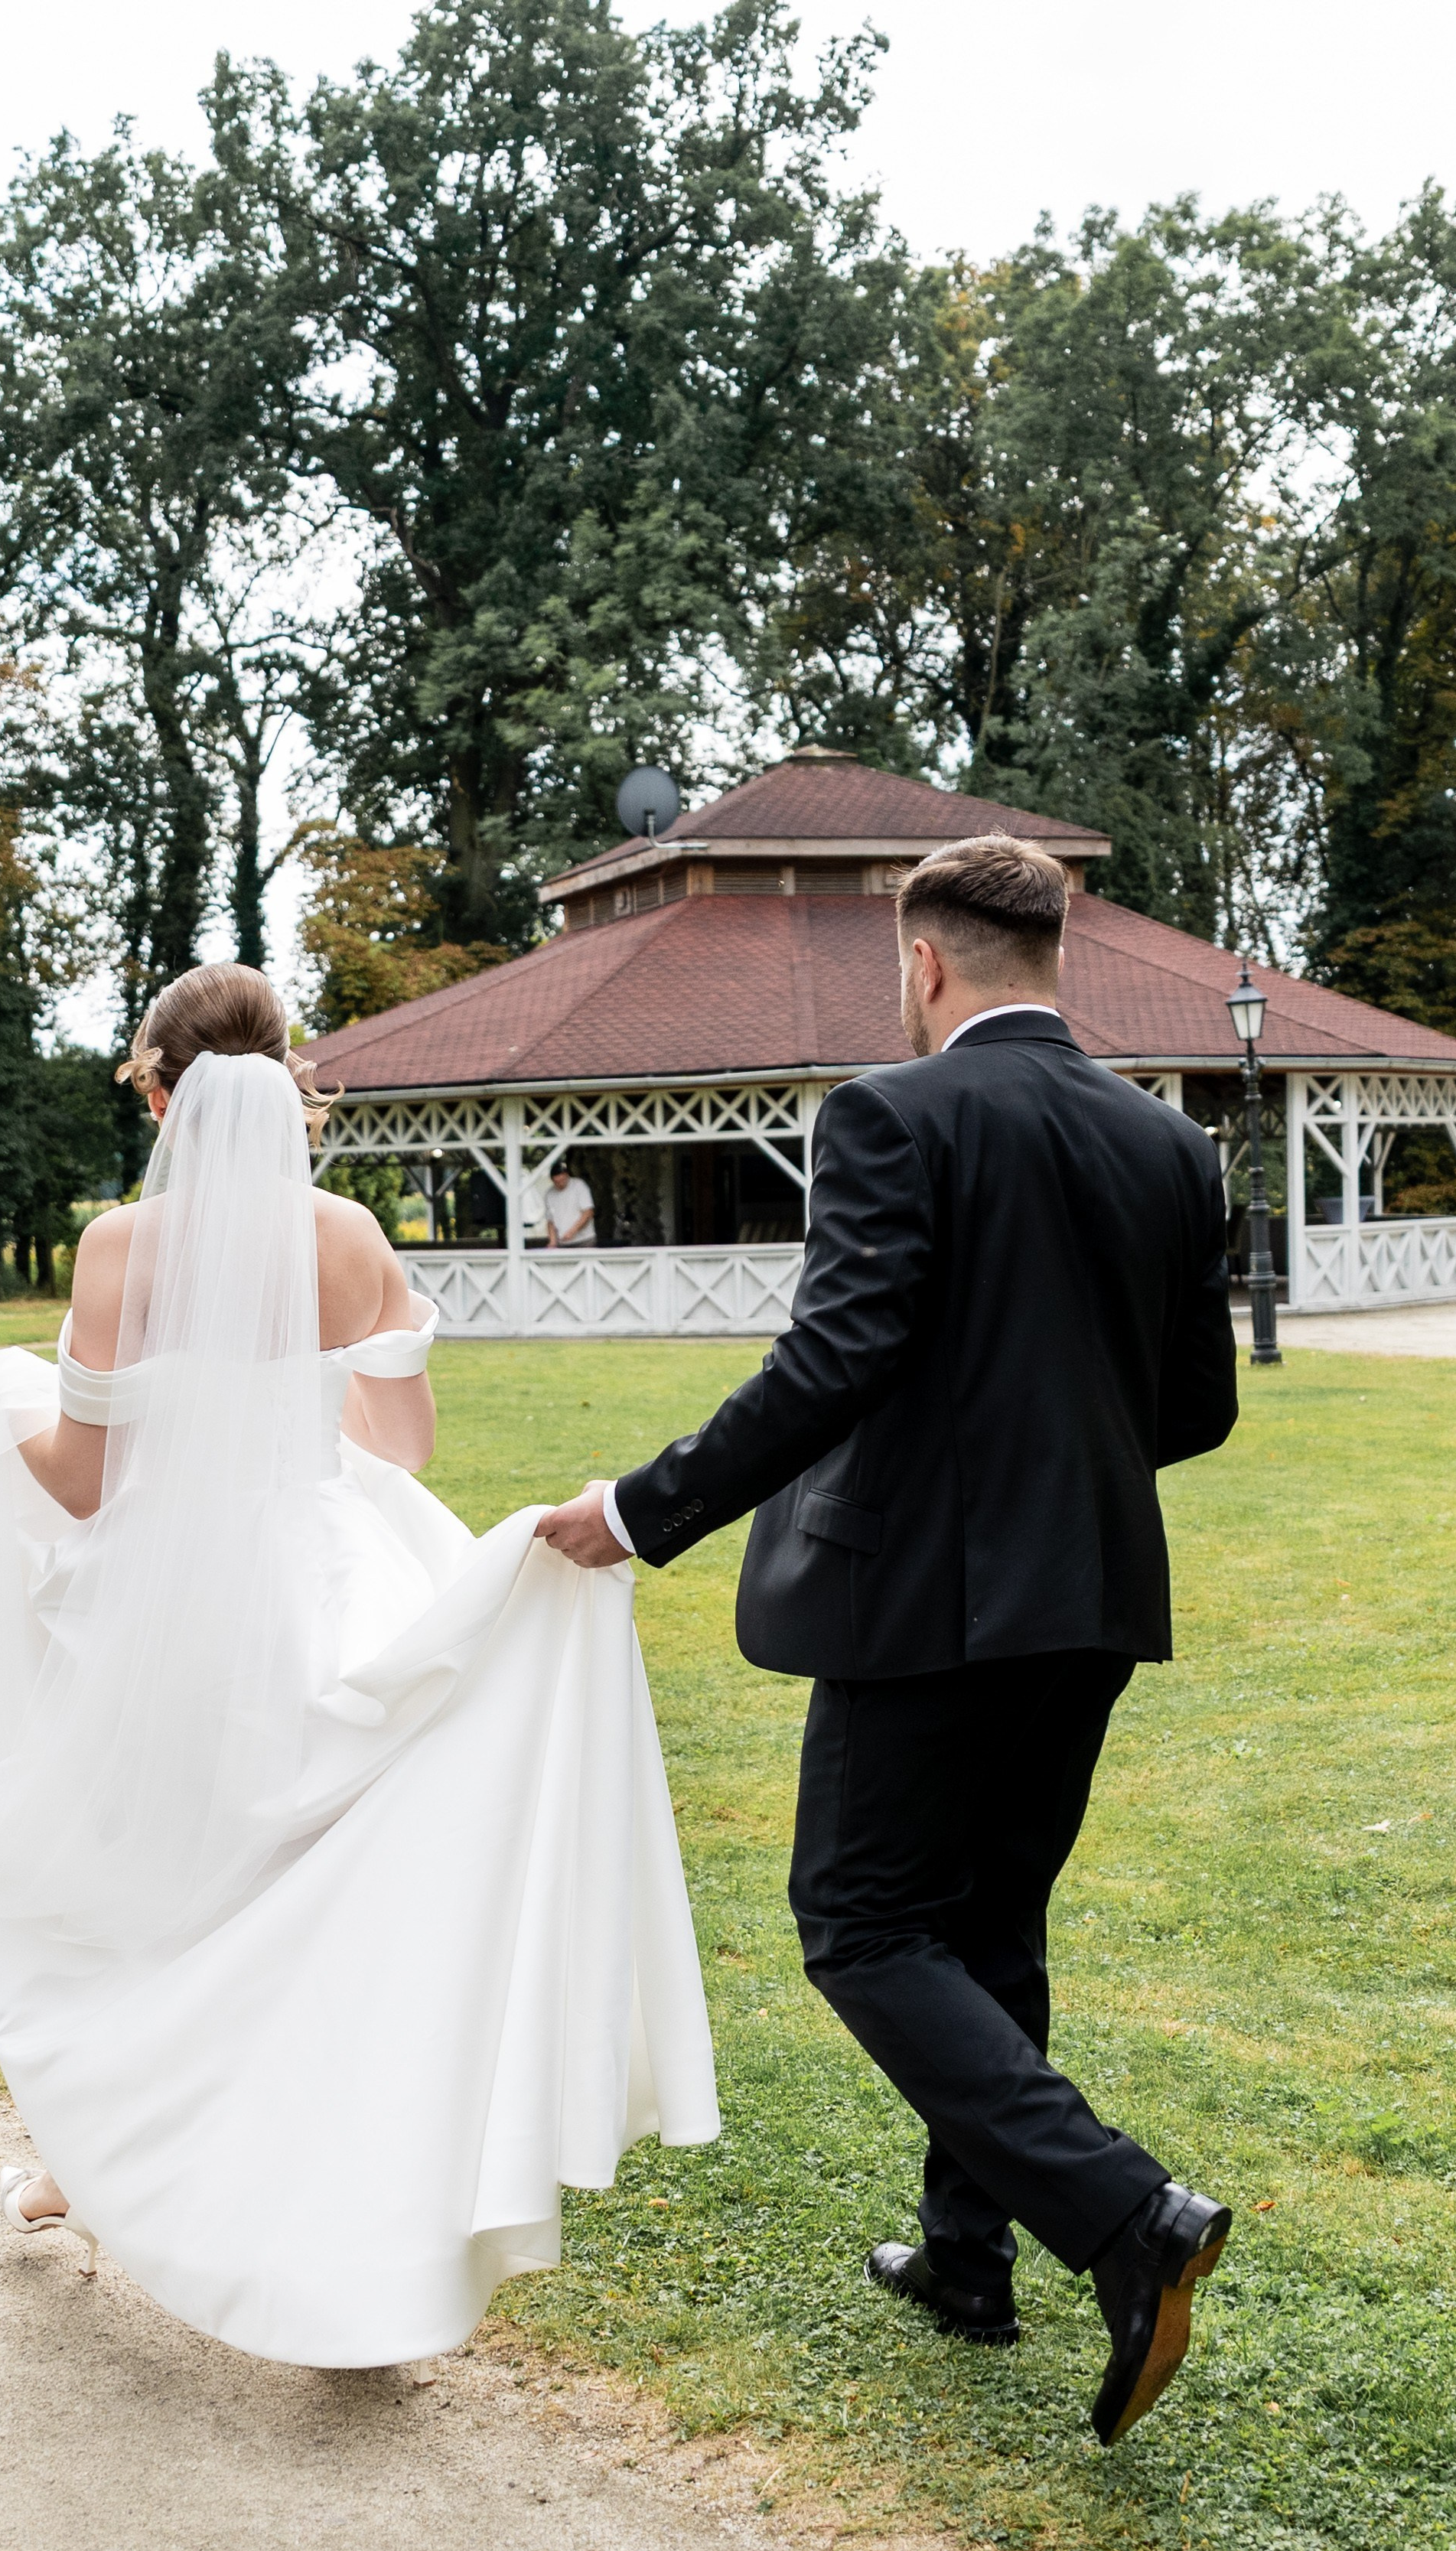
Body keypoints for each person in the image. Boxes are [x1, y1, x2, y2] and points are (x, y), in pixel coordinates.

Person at [0, 967, 717, 2367]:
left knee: (135, 1900)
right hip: (330, 1591)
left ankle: (92, 2155)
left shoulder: (115, 1248)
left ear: (159, 1093)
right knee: (296, 1911)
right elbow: (407, 1446)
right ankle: (189, 2192)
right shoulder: (350, 1234)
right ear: (291, 1086)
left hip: (158, 1615)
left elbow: (80, 1485)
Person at [540, 836, 1239, 2446]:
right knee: (987, 1927)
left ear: (922, 965)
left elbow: (832, 1360)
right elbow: (1188, 1410)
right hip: (1092, 1597)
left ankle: (1124, 2217)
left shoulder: (887, 1112)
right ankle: (961, 2258)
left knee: (860, 1924)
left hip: (923, 1599)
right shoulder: (1165, 1143)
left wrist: (642, 1511)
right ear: (1050, 953)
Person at [544, 1162, 597, 1247]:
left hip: (584, 1241)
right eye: (557, 1182)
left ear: (567, 1175)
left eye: (562, 1181)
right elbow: (550, 1221)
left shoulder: (579, 1186)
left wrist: (572, 1232)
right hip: (562, 1243)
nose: (560, 1184)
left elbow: (588, 1212)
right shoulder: (549, 1194)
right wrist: (552, 1242)